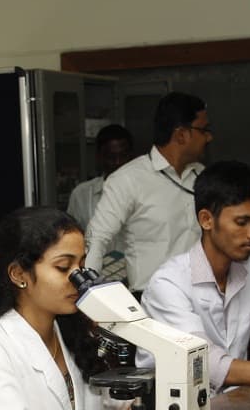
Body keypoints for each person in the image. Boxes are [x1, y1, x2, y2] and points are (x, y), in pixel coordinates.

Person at [0, 206, 210, 410]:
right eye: (63, 267)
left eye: (80, 266)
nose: (76, 279)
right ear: (20, 273)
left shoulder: (71, 334)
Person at [141, 161, 250, 393]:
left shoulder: (247, 272)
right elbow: (210, 366)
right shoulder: (168, 284)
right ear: (206, 220)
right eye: (242, 222)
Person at [84, 92, 212, 293]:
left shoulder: (202, 175)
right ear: (181, 134)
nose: (209, 137)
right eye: (204, 130)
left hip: (203, 297)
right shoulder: (127, 179)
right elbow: (97, 237)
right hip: (153, 302)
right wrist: (89, 294)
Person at [66, 124, 134, 232]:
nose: (118, 162)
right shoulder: (81, 194)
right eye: (111, 157)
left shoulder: (147, 191)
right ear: (99, 157)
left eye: (123, 155)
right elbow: (72, 237)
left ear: (132, 156)